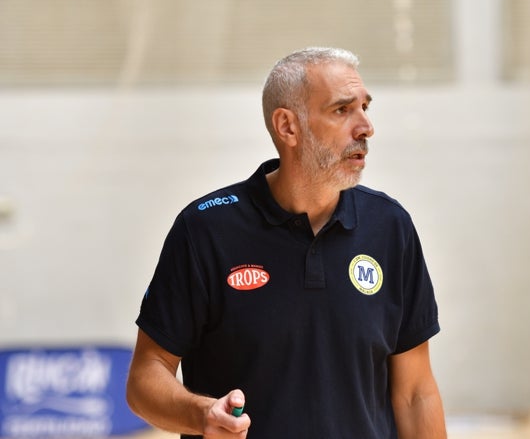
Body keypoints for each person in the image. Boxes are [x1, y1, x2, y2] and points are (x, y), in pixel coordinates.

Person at [126, 47, 446, 439]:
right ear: (288, 127)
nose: (366, 126)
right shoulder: (204, 231)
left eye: (365, 107)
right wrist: (202, 415)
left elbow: (415, 394)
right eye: (342, 110)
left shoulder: (391, 228)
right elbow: (145, 378)